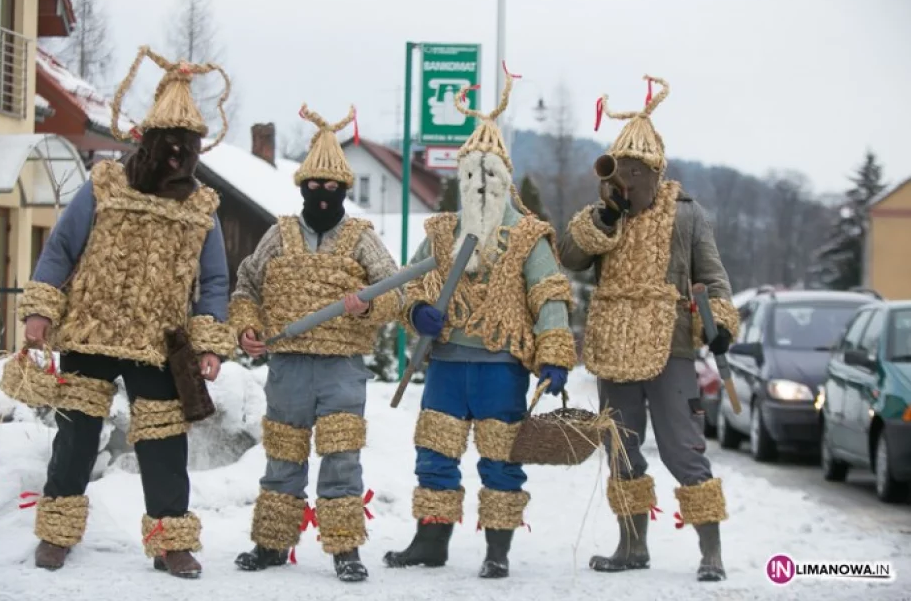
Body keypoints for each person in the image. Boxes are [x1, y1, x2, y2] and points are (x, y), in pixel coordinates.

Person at [12, 46, 235, 578]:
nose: (178, 156)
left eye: (188, 148)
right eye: (169, 146)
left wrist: (207, 343)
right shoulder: (104, 186)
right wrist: (40, 309)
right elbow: (61, 249)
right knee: (75, 438)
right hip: (89, 333)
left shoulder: (202, 206)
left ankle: (169, 542)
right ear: (149, 141)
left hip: (158, 344)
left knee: (163, 445)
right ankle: (55, 533)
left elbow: (215, 281)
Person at [383, 68, 576, 579]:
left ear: (505, 179)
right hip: (446, 365)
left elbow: (550, 293)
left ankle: (497, 550)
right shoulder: (443, 233)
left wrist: (555, 355)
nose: (480, 186)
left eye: (489, 175)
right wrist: (415, 311)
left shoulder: (528, 236)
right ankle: (431, 539)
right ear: (461, 180)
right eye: (471, 175)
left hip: (501, 368)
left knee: (501, 458)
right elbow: (412, 284)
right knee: (435, 453)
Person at [559, 75, 739, 582]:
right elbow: (569, 257)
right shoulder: (601, 218)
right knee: (621, 447)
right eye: (619, 173)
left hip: (672, 347)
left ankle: (710, 549)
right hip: (613, 347)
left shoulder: (686, 217)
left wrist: (719, 323)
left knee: (684, 448)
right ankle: (631, 543)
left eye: (634, 173)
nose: (625, 182)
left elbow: (714, 277)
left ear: (653, 173)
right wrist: (604, 220)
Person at [229, 104, 401, 583]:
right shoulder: (278, 236)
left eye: (332, 189)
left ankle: (345, 548)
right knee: (283, 455)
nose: (322, 196)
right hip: (287, 366)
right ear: (301, 188)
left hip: (342, 368)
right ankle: (271, 542)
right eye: (314, 188)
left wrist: (367, 307)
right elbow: (246, 288)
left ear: (344, 192)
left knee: (342, 460)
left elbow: (396, 293)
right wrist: (247, 328)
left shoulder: (362, 239)